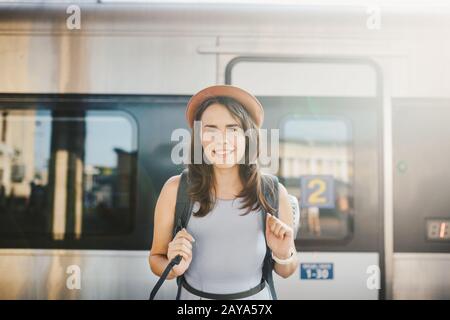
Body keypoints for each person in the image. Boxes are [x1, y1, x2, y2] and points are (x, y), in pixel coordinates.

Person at [149, 85, 299, 300]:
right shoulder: (175, 189)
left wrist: (283, 254)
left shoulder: (273, 192)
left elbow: (287, 270)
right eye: (211, 129)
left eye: (233, 128)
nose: (222, 139)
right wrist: (174, 267)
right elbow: (156, 259)